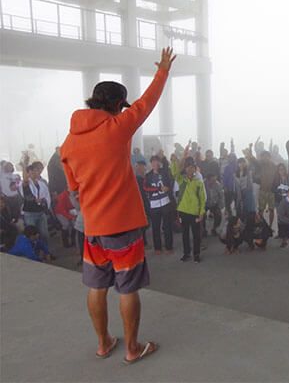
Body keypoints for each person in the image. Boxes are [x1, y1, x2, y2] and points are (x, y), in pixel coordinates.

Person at [60, 47, 175, 363]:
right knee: (127, 289)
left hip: (92, 228)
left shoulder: (69, 142)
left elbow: (73, 189)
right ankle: (132, 349)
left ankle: (103, 343)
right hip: (122, 228)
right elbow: (145, 104)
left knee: (96, 288)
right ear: (114, 105)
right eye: (119, 107)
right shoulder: (116, 128)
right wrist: (163, 70)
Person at [175, 157, 206, 262]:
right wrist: (177, 161)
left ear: (195, 169)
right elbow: (175, 172)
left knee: (196, 235)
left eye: (192, 167)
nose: (190, 169)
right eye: (188, 167)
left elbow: (202, 198)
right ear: (185, 168)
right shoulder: (181, 180)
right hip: (183, 212)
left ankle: (196, 254)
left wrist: (201, 212)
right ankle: (186, 254)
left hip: (195, 213)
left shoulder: (199, 182)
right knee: (185, 234)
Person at [144, 155, 175, 255]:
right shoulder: (148, 176)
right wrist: (158, 189)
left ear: (159, 163)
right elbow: (145, 188)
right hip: (154, 205)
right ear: (151, 164)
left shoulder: (165, 172)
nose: (155, 164)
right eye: (152, 162)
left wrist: (168, 188)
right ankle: (157, 247)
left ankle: (169, 247)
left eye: (156, 162)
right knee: (155, 227)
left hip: (165, 202)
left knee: (167, 226)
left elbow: (171, 182)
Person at [20, 163, 51, 245]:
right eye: (31, 171)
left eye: (35, 171)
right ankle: (34, 254)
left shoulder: (42, 184)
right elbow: (25, 182)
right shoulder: (25, 184)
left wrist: (42, 201)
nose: (34, 173)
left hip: (41, 212)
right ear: (27, 173)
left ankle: (46, 252)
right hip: (30, 213)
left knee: (44, 234)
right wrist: (24, 163)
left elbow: (47, 196)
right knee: (32, 235)